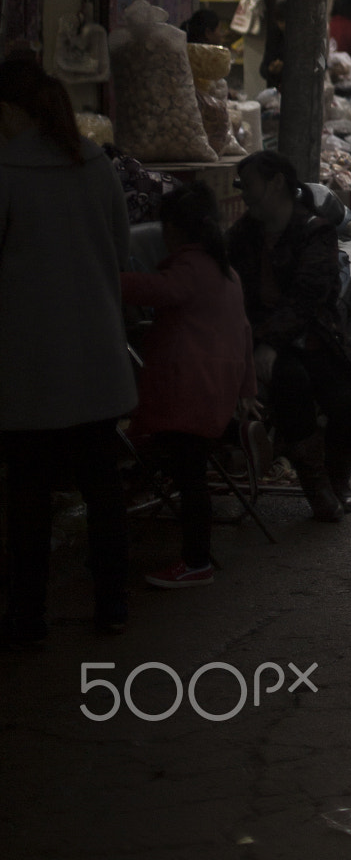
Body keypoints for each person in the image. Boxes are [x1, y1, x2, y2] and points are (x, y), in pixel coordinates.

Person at [0, 56, 136, 644]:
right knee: (102, 488)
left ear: (11, 111)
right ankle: (114, 606)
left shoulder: (7, 171)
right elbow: (121, 250)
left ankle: (29, 619)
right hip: (97, 358)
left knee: (27, 496)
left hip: (30, 366)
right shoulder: (95, 164)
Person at [120, 182, 256, 589]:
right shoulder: (226, 271)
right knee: (187, 468)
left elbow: (159, 291)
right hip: (215, 390)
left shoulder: (190, 269)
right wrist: (246, 391)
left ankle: (196, 562)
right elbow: (244, 333)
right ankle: (193, 555)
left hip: (189, 393)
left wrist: (104, 278)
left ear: (174, 230)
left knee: (190, 477)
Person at [228, 151, 351, 521]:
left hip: (312, 336)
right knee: (291, 384)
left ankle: (338, 480)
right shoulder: (242, 236)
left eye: (249, 185)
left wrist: (271, 343)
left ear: (275, 184)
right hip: (262, 341)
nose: (244, 195)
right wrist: (260, 344)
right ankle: (316, 486)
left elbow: (308, 295)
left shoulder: (315, 231)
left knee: (350, 404)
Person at [262, 0, 287, 87]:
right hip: (277, 87)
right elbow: (263, 69)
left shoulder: (302, 39)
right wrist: (271, 69)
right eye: (280, 22)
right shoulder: (275, 35)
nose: (283, 25)